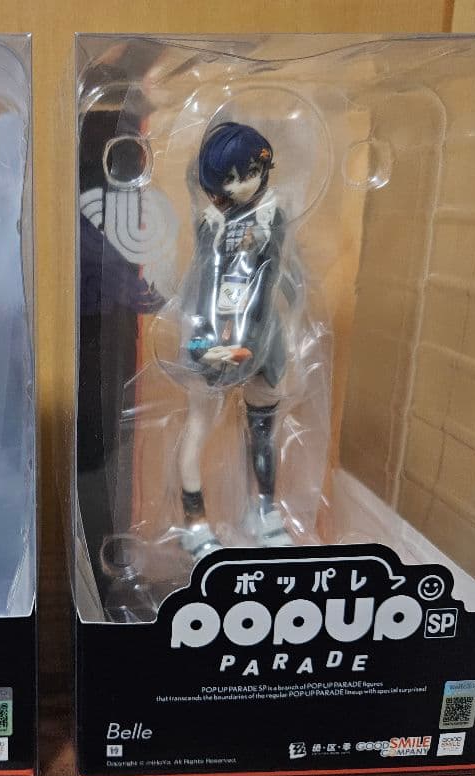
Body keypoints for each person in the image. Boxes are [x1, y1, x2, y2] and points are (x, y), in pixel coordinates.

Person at [175, 121, 297, 558]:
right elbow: (207, 284)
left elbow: (272, 279)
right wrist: (210, 342)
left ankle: (264, 510)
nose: (243, 184)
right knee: (199, 424)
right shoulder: (211, 223)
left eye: (251, 172)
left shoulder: (272, 215)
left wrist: (258, 339)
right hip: (212, 333)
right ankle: (194, 523)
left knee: (263, 426)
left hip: (261, 334)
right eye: (230, 177)